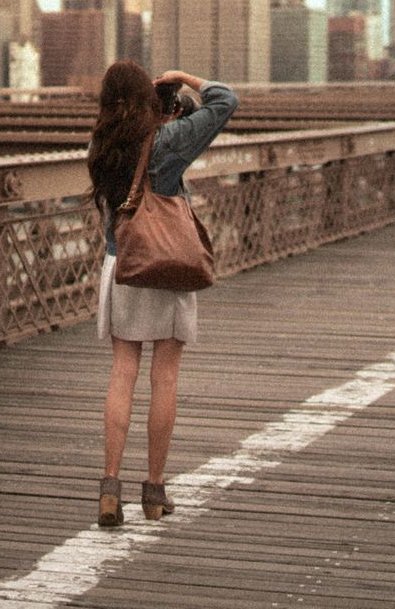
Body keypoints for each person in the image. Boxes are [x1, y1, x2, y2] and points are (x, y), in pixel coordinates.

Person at [86, 61, 238, 526]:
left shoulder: (101, 143)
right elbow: (224, 101)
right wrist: (185, 80)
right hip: (166, 265)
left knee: (122, 372)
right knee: (164, 377)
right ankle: (153, 490)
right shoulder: (167, 142)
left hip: (124, 263)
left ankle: (110, 488)